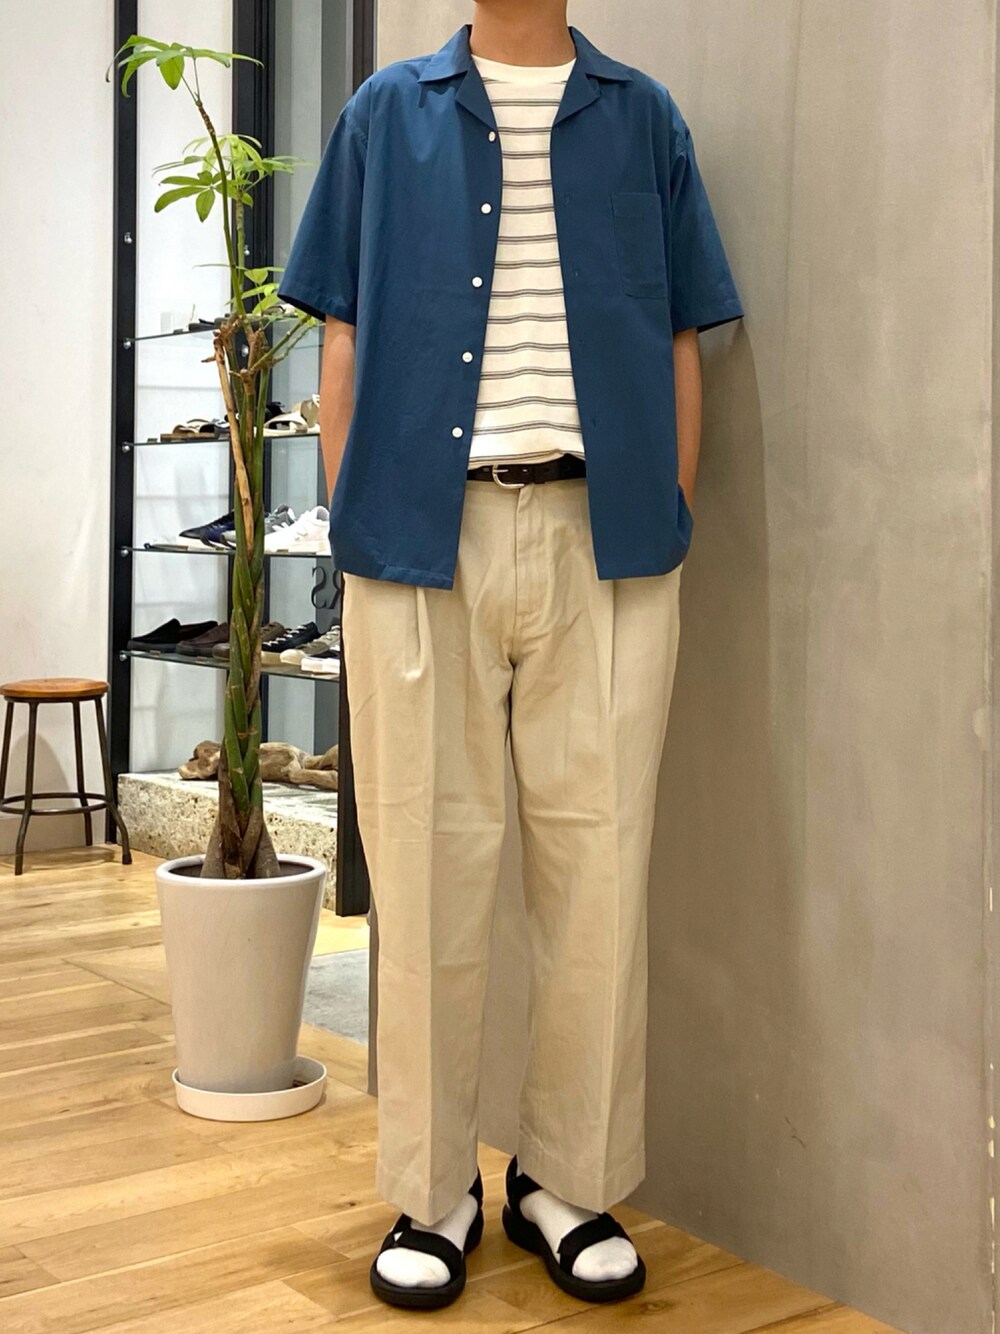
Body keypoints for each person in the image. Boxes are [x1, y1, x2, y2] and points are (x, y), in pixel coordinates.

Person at [278, 0, 743, 1312]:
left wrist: (670, 511)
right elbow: (342, 330)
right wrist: (355, 519)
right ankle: (432, 1191)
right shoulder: (387, 116)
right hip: (420, 543)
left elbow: (681, 330)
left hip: (608, 541)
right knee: (425, 865)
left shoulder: (643, 119)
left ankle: (567, 1179)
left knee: (600, 866)